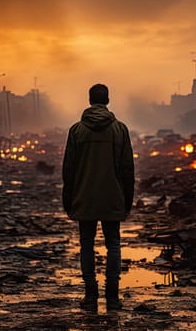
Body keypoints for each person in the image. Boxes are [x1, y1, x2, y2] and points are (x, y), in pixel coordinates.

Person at [62, 83, 135, 311]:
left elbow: (69, 171)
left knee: (86, 244)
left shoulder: (76, 131)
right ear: (108, 100)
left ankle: (90, 295)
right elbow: (127, 169)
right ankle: (112, 297)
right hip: (113, 197)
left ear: (89, 100)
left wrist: (69, 200)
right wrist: (127, 199)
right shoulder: (120, 130)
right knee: (113, 244)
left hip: (84, 197)